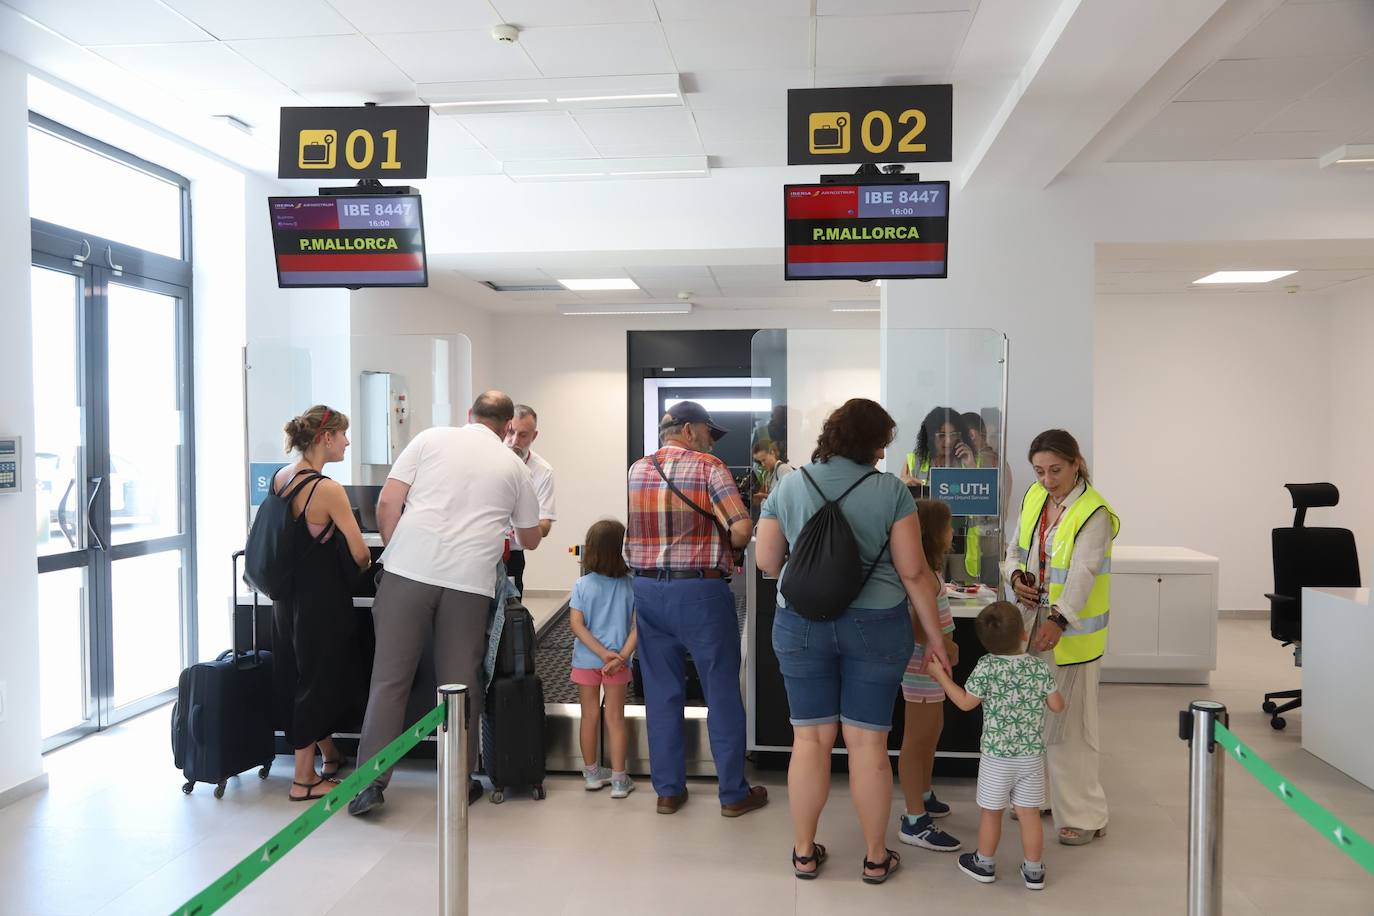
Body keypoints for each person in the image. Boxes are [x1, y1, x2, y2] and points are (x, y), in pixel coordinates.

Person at [756, 398, 951, 885]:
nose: (884, 453)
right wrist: (935, 638)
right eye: (882, 444)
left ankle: (804, 852)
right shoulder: (891, 492)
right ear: (871, 443)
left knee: (810, 739)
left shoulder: (790, 484)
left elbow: (767, 562)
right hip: (877, 625)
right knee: (868, 743)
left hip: (800, 623)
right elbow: (914, 573)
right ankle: (875, 857)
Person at [349, 391, 543, 817]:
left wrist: (399, 550)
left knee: (389, 680)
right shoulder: (514, 466)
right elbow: (529, 538)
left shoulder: (429, 438)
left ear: (470, 414)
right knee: (459, 686)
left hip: (407, 573)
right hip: (467, 584)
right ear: (508, 426)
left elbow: (388, 502)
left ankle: (368, 785)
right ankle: (458, 782)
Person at [624, 400, 765, 817]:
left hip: (647, 590)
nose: (712, 442)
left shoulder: (638, 469)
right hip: (700, 592)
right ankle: (733, 794)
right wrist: (728, 536)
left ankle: (668, 791)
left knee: (661, 692)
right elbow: (741, 530)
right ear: (688, 430)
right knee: (720, 690)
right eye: (709, 433)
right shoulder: (710, 468)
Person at [1002, 429, 1119, 846]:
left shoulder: (1093, 512)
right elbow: (1014, 550)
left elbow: (1083, 574)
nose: (1047, 480)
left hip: (1071, 637)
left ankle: (1086, 815)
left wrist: (1058, 618)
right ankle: (1040, 798)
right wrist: (1015, 577)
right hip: (1030, 625)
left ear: (1075, 464)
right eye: (1039, 471)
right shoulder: (1035, 497)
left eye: (1055, 470)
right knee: (1032, 719)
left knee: (1072, 728)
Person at [270, 406, 372, 801]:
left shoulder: (281, 478)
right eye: (343, 434)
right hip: (321, 603)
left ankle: (328, 755)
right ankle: (303, 780)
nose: (347, 442)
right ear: (325, 438)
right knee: (318, 683)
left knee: (300, 676)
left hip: (286, 601)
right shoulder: (326, 489)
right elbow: (360, 552)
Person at [927, 601, 1065, 889]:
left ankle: (984, 863)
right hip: (1030, 757)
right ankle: (1034, 870)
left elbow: (966, 703)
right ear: (1024, 634)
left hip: (996, 758)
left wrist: (940, 676)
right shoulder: (1038, 667)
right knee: (1029, 814)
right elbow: (1057, 705)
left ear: (985, 643)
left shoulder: (987, 666)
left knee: (991, 813)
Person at [896, 499, 962, 852]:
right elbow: (918, 627)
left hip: (933, 668)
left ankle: (923, 793)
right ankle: (914, 818)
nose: (952, 532)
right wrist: (947, 646)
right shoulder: (922, 574)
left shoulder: (930, 572)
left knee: (932, 730)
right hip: (923, 667)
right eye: (948, 526)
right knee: (916, 739)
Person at [568, 519, 637, 800]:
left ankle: (592, 774)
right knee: (615, 718)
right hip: (617, 664)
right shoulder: (632, 586)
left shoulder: (582, 585)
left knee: (589, 716)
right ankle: (619, 779)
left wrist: (599, 652)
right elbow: (638, 628)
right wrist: (620, 657)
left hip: (586, 661)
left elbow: (576, 624)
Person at [900, 407, 979, 582]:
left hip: (961, 542)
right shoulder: (913, 460)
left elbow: (983, 504)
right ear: (930, 436)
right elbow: (900, 506)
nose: (948, 441)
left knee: (962, 592)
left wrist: (971, 467)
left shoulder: (970, 459)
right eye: (942, 435)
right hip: (925, 541)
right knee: (930, 588)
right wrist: (903, 485)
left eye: (953, 434)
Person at [503, 404, 556, 596]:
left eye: (523, 435)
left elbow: (545, 524)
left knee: (512, 608)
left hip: (513, 553)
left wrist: (526, 528)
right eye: (511, 432)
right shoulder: (485, 459)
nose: (514, 441)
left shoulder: (542, 471)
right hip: (481, 550)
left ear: (534, 436)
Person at [750, 440, 794, 507]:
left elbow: (789, 497)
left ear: (772, 453)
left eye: (764, 460)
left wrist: (765, 496)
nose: (762, 464)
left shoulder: (783, 469)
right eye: (760, 462)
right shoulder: (768, 475)